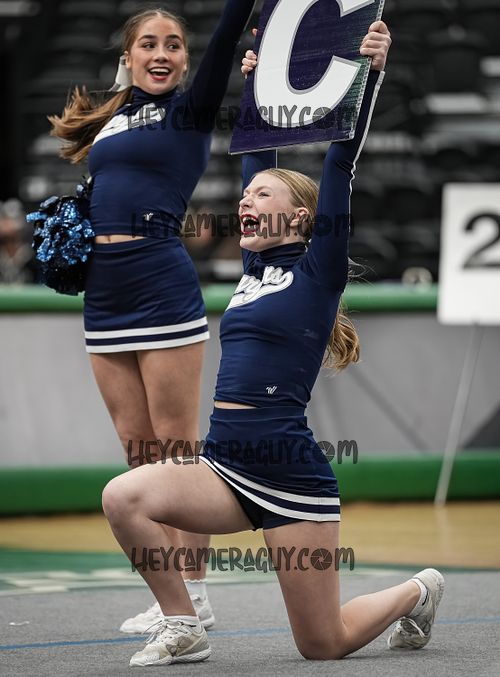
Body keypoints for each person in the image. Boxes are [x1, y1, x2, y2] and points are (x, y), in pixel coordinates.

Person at [102, 20, 445, 667]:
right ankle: (182, 622)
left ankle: (417, 591)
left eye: (262, 196)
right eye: (246, 196)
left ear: (301, 217)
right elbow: (256, 154)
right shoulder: (254, 269)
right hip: (224, 468)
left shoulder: (319, 270)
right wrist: (257, 89)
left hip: (290, 474)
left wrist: (370, 75)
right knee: (123, 496)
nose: (247, 201)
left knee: (322, 644)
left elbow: (341, 162)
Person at [47, 2, 257, 632]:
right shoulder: (113, 116)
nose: (161, 54)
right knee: (138, 452)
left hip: (160, 285)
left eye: (173, 45)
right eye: (148, 44)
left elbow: (227, 33)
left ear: (186, 60)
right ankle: (173, 602)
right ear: (128, 56)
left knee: (177, 450)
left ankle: (197, 592)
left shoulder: (190, 112)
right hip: (104, 296)